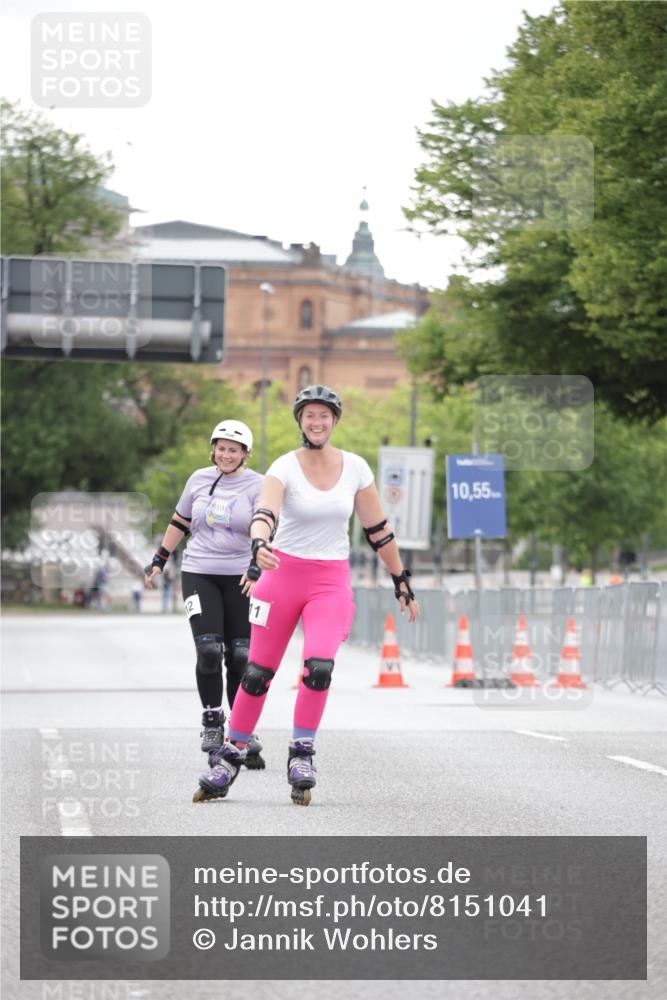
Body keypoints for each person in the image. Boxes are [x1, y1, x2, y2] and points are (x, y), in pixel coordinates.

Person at [194, 385, 420, 806]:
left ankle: (302, 754)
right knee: (257, 673)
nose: (317, 422)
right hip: (281, 576)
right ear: (300, 421)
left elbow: (378, 530)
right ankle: (231, 754)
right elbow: (265, 513)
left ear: (334, 420)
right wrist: (260, 544)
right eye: (309, 416)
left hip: (329, 580)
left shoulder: (355, 468)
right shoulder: (284, 466)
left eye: (324, 416)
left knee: (319, 667)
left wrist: (400, 578)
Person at [144, 419, 265, 772]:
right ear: (213, 449)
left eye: (234, 450)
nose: (226, 455)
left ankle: (243, 729)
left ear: (245, 454)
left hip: (243, 578)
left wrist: (258, 567)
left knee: (241, 656)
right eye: (221, 448)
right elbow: (179, 522)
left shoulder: (257, 485)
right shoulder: (198, 479)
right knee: (210, 649)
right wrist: (158, 560)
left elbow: (266, 529)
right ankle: (213, 721)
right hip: (199, 572)